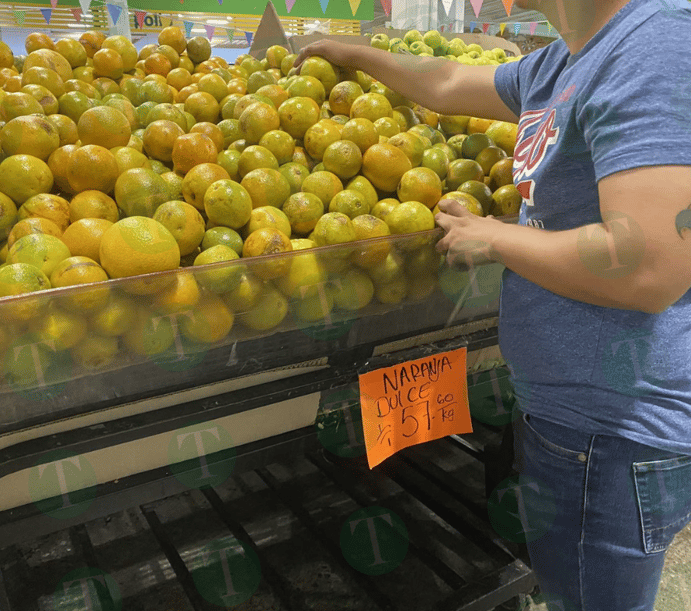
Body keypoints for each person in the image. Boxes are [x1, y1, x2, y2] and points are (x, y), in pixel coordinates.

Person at [295, 0, 691, 609]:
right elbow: (451, 81)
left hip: (613, 427)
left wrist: (494, 236)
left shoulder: (653, 44)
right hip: (572, 413)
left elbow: (649, 266)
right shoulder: (565, 58)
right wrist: (351, 53)